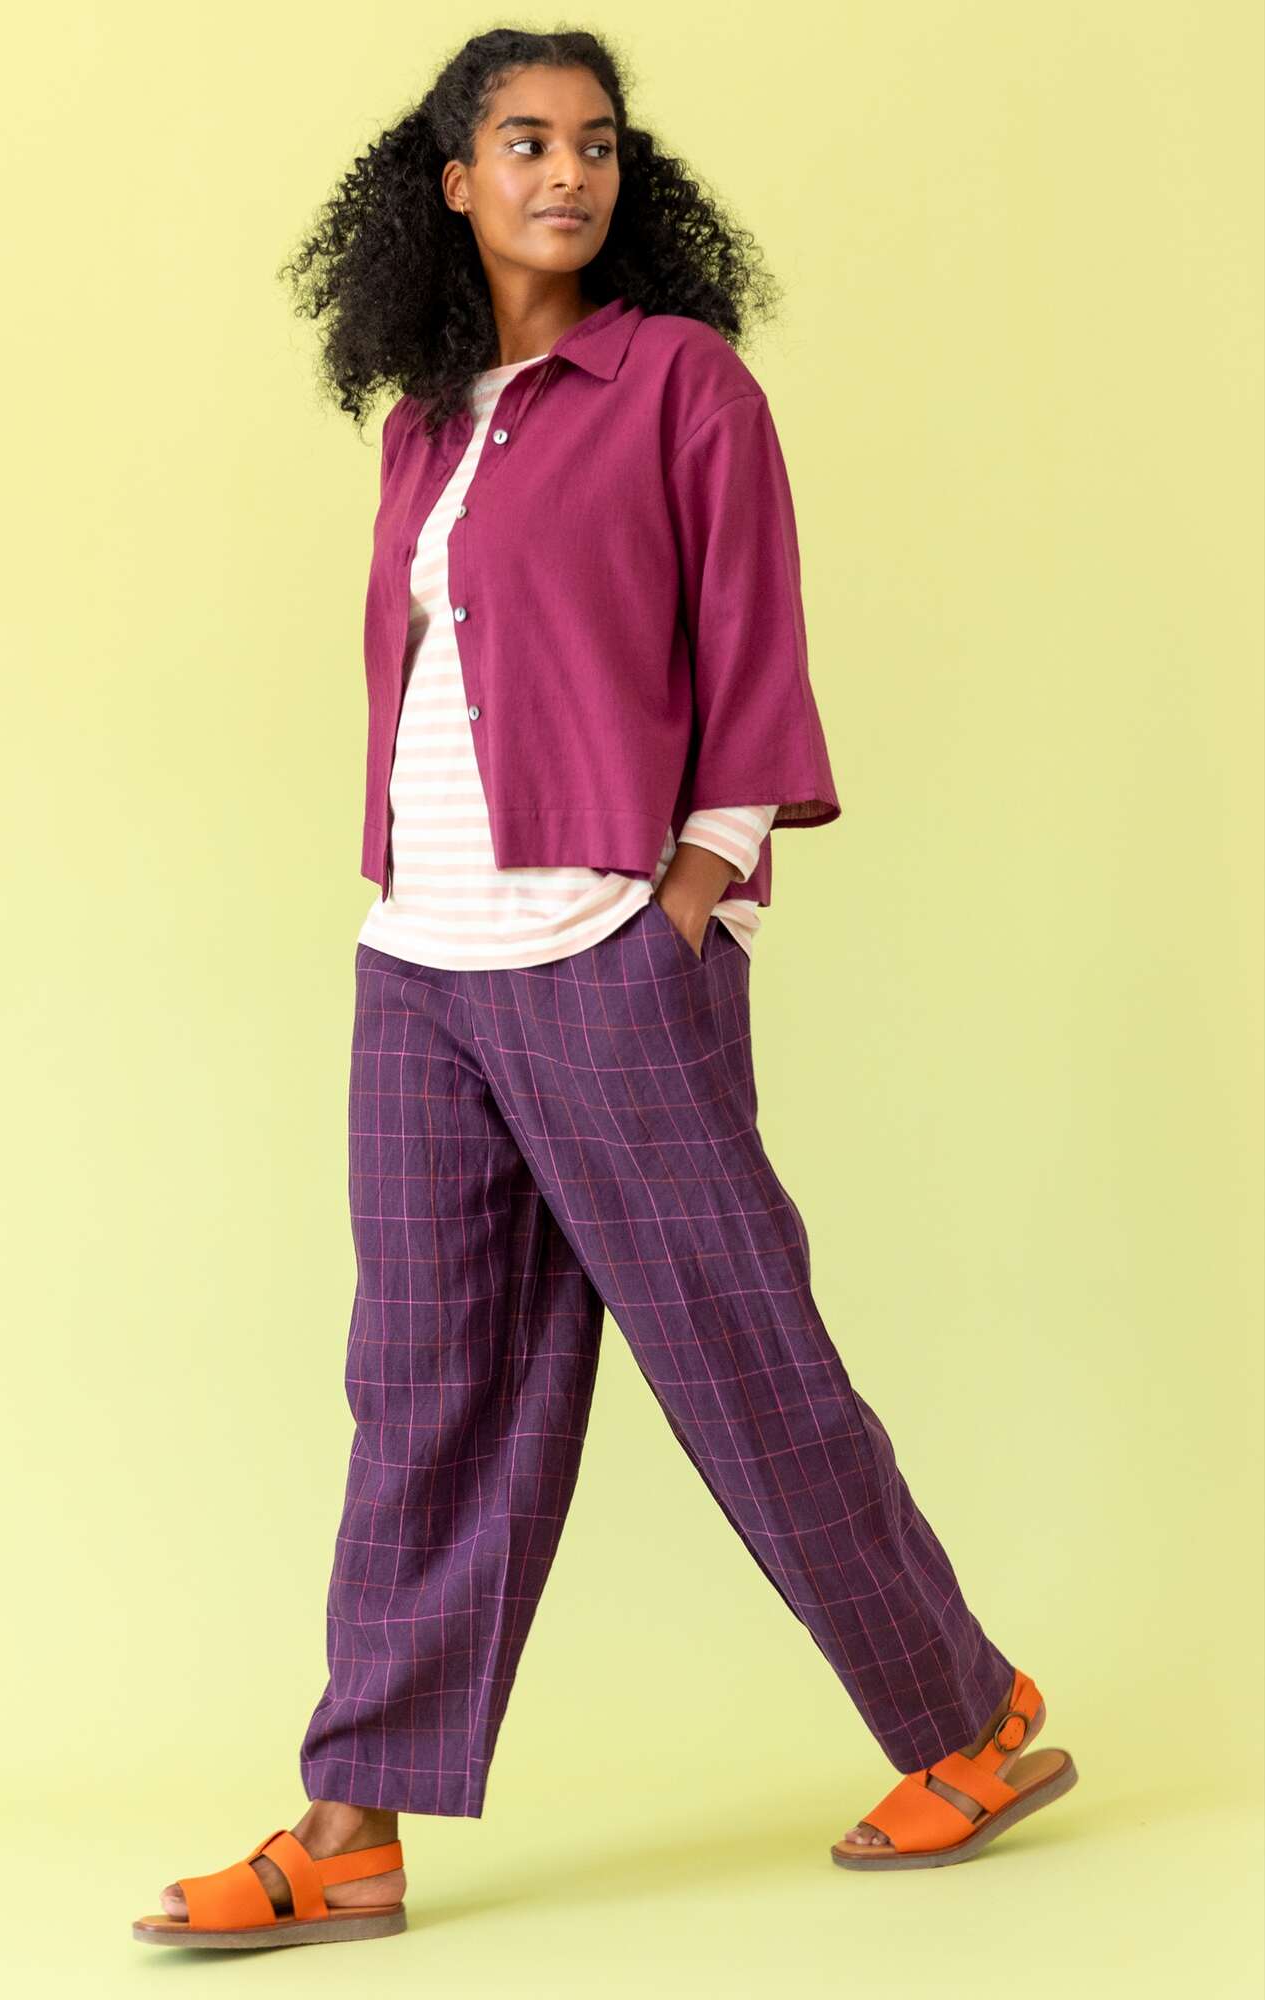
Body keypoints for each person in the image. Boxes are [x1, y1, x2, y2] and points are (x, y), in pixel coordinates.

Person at [132, 27, 1076, 1953]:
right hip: (421, 962)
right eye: (524, 141)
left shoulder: (680, 384)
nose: (565, 172)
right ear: (453, 181)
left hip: (604, 948)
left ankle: (965, 1718)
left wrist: (696, 894)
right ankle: (351, 1826)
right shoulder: (423, 422)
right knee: (418, 1392)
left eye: (595, 143)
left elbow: (749, 639)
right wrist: (407, 886)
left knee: (738, 1356)